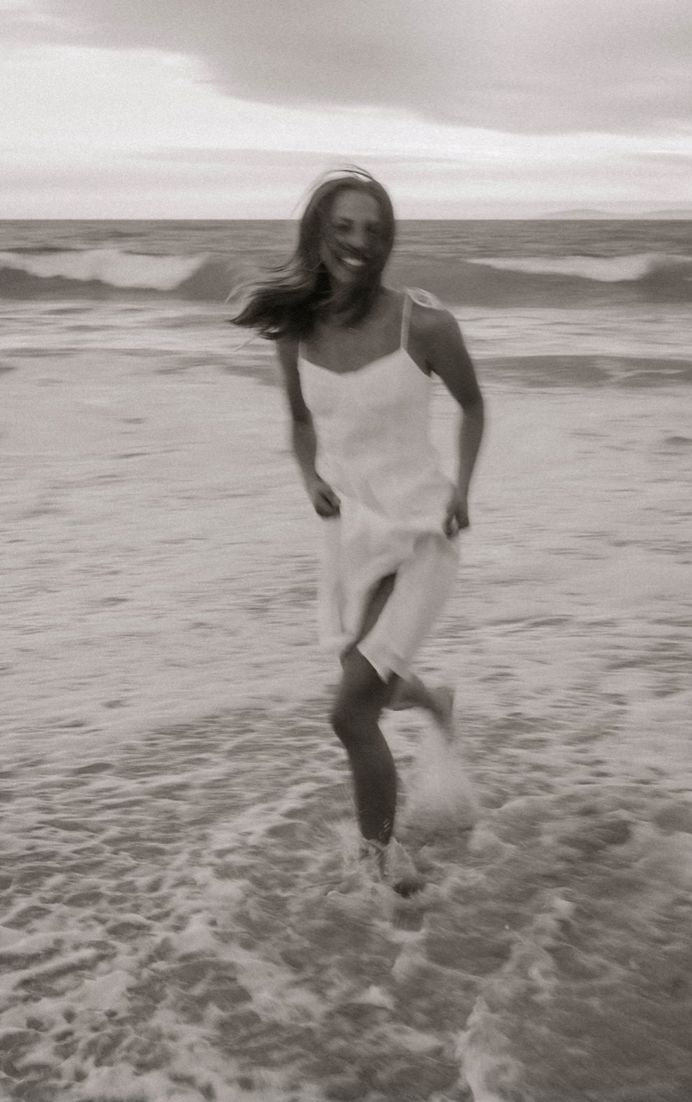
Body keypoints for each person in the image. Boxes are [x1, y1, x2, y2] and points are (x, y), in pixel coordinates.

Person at [232, 168, 485, 893]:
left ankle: (380, 867)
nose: (358, 242)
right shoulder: (295, 330)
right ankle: (434, 702)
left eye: (373, 230)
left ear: (388, 241)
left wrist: (463, 489)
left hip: (422, 532)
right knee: (369, 685)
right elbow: (302, 421)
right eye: (344, 227)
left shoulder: (424, 324)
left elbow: (474, 407)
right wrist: (308, 476)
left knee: (349, 712)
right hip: (352, 535)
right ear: (318, 230)